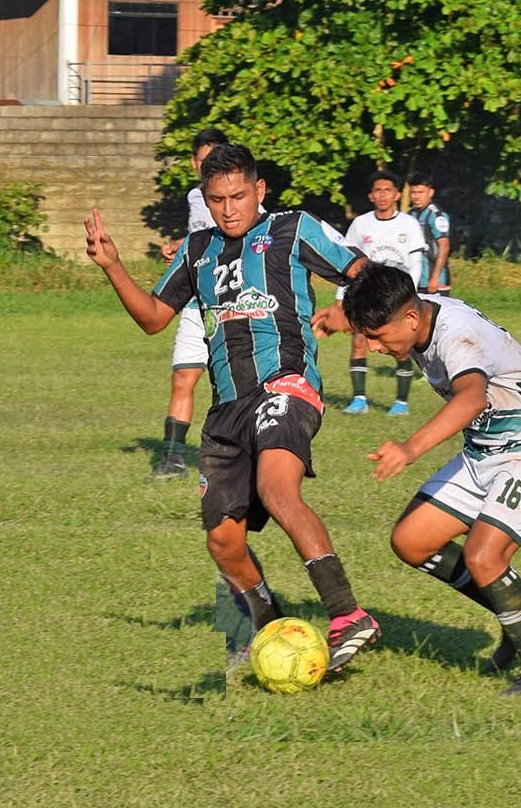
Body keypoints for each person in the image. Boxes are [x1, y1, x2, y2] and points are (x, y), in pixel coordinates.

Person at [86, 143, 381, 674]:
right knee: (223, 540)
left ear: (259, 191)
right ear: (205, 197)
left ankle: (347, 615)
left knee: (276, 488)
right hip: (227, 411)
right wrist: (113, 266)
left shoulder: (293, 230)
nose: (228, 208)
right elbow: (154, 317)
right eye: (217, 198)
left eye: (239, 196)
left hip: (286, 388)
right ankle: (271, 627)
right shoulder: (197, 249)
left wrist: (347, 309)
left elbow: (360, 270)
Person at [341, 263, 521, 696]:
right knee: (412, 540)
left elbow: (471, 398)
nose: (372, 347)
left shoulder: (457, 337)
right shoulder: (414, 314)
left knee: (483, 556)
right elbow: (373, 307)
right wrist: (337, 317)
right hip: (485, 450)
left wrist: (410, 449)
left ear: (410, 319)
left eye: (375, 337)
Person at [153, 126, 229, 480]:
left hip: (231, 302)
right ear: (194, 162)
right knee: (184, 375)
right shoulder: (194, 197)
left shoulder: (240, 198)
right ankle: (173, 459)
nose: (207, 165)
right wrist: (180, 246)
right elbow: (203, 237)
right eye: (203, 159)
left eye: (214, 159)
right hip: (196, 302)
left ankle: (241, 457)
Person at [342, 170, 426, 416]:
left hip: (397, 297)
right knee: (359, 341)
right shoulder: (361, 224)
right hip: (367, 296)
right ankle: (359, 399)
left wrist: (408, 293)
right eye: (377, 190)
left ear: (397, 194)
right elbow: (347, 261)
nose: (382, 195)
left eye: (387, 190)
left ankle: (401, 402)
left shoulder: (408, 224)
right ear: (370, 195)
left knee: (400, 347)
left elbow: (416, 261)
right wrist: (340, 299)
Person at [407, 172, 451, 295]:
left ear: (430, 192)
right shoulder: (410, 215)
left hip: (434, 281)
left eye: (421, 193)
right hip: (417, 279)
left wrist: (435, 277)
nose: (416, 197)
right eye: (413, 193)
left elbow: (444, 246)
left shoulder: (436, 215)